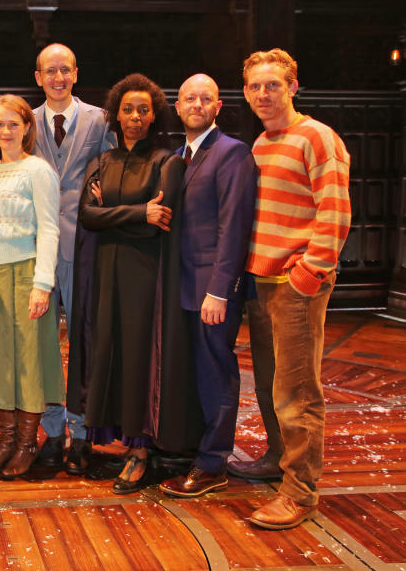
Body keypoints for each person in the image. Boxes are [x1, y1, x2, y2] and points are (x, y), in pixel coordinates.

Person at [235, 49, 351, 530]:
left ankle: (300, 493)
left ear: (292, 87)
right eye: (255, 86)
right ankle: (277, 457)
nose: (263, 94)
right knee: (268, 383)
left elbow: (336, 211)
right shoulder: (262, 144)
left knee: (297, 391)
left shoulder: (318, 137)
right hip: (262, 283)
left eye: (272, 85)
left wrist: (308, 275)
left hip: (296, 286)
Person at [69, 73, 199, 495]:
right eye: (128, 109)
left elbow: (157, 225)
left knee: (141, 360)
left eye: (144, 109)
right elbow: (87, 216)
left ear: (154, 115)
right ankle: (117, 441)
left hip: (147, 279)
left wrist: (122, 214)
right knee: (110, 353)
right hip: (107, 274)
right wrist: (137, 212)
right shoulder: (100, 163)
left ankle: (141, 451)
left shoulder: (168, 162)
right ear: (115, 115)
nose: (135, 117)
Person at [158, 74, 257, 499]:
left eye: (206, 99)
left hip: (211, 291)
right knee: (192, 374)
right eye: (189, 99)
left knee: (215, 373)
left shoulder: (232, 154)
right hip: (180, 286)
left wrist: (220, 290)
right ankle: (194, 451)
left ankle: (214, 462)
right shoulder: (179, 156)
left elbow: (233, 227)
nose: (197, 105)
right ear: (177, 108)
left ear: (218, 108)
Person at [0, 94, 64, 480]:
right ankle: (4, 442)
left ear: (26, 128)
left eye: (12, 124)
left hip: (24, 275)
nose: (5, 131)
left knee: (27, 363)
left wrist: (42, 285)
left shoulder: (38, 171)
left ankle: (26, 445)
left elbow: (49, 230)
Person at [31, 43, 115, 472]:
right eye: (50, 71)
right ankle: (51, 431)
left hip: (86, 246)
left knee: (85, 340)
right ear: (38, 76)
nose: (58, 77)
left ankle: (82, 432)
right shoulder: (24, 123)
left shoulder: (99, 119)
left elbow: (115, 167)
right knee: (44, 344)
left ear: (76, 73)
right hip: (39, 250)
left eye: (65, 70)